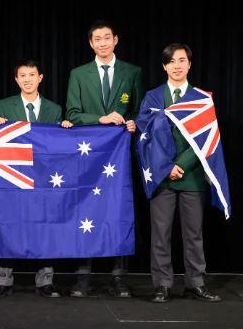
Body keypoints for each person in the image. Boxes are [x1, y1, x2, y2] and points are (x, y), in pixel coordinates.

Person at [65, 19, 144, 298]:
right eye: (97, 39)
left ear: (116, 40)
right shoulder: (78, 74)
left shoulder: (132, 72)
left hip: (118, 156)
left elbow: (139, 110)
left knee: (117, 211)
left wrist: (133, 122)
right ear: (90, 43)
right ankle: (82, 276)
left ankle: (119, 277)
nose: (102, 43)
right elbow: (72, 114)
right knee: (85, 212)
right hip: (87, 157)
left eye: (107, 38)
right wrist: (101, 118)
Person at [139, 43, 222, 303]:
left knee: (193, 233)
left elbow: (206, 139)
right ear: (164, 66)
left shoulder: (201, 98)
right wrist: (166, 167)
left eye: (182, 60)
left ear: (189, 64)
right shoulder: (153, 97)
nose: (177, 66)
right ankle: (162, 285)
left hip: (192, 176)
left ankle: (195, 283)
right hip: (162, 177)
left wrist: (182, 165)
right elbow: (146, 137)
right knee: (160, 234)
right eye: (171, 61)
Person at [0, 59, 73, 299]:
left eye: (31, 74)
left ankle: (45, 281)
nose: (27, 79)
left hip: (44, 180)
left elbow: (59, 146)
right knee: (7, 226)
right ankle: (2, 281)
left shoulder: (54, 109)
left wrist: (65, 128)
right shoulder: (4, 106)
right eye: (22, 75)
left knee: (45, 226)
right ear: (16, 80)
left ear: (40, 78)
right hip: (13, 178)